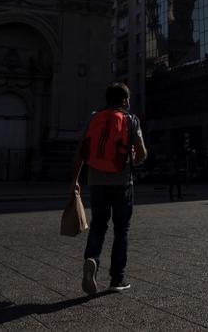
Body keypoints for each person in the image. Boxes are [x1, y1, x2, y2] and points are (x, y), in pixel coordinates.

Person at [71, 82, 146, 295]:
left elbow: (81, 151)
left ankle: (92, 259)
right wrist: (134, 158)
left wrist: (74, 180)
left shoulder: (94, 117)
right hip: (122, 182)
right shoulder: (131, 120)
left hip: (96, 182)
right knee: (121, 229)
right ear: (124, 100)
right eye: (128, 99)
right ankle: (117, 279)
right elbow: (142, 154)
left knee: (98, 225)